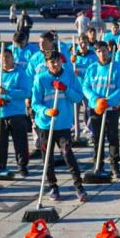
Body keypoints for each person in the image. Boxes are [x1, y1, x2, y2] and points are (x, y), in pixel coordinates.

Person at [31, 49, 88, 202]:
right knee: (47, 158)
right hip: (45, 126)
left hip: (63, 124)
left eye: (57, 61)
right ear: (46, 63)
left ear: (62, 61)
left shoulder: (70, 76)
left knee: (68, 155)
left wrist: (65, 88)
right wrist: (46, 111)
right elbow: (35, 103)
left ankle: (79, 187)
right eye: (51, 62)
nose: (55, 64)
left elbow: (78, 97)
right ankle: (53, 187)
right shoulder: (40, 78)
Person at [0, 47, 33, 177]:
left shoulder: (20, 73)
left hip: (16, 113)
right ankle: (0, 165)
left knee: (20, 141)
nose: (4, 60)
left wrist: (7, 93)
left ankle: (22, 166)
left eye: (7, 57)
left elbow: (26, 92)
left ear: (12, 58)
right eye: (1, 57)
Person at [83, 41, 120, 180]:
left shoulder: (117, 67)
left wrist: (108, 101)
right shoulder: (92, 68)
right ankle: (98, 165)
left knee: (112, 137)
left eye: (104, 50)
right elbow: (86, 87)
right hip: (96, 108)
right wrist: (96, 100)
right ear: (96, 53)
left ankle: (115, 166)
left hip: (111, 108)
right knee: (97, 138)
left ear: (109, 50)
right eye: (99, 51)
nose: (102, 54)